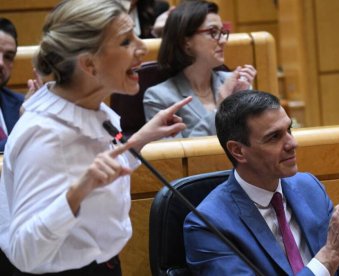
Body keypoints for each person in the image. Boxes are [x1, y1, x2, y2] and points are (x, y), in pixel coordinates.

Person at [0, 0, 191, 275]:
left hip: (103, 264)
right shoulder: (44, 135)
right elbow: (24, 253)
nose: (142, 48)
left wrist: (137, 141)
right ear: (89, 63)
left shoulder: (88, 109)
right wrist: (77, 193)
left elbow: (92, 168)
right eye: (126, 41)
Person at [184, 90, 339, 275]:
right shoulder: (207, 224)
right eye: (274, 137)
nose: (292, 143)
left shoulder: (309, 188)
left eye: (289, 130)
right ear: (238, 151)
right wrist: (331, 253)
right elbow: (330, 258)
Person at [143, 0, 256, 138]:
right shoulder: (159, 97)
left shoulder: (235, 84)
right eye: (213, 32)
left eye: (223, 32)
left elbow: (254, 139)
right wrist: (220, 110)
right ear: (186, 41)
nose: (223, 40)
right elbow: (173, 157)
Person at [0, 18, 24, 152]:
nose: (1, 63)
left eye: (8, 56)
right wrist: (25, 127)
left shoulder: (21, 104)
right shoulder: (24, 118)